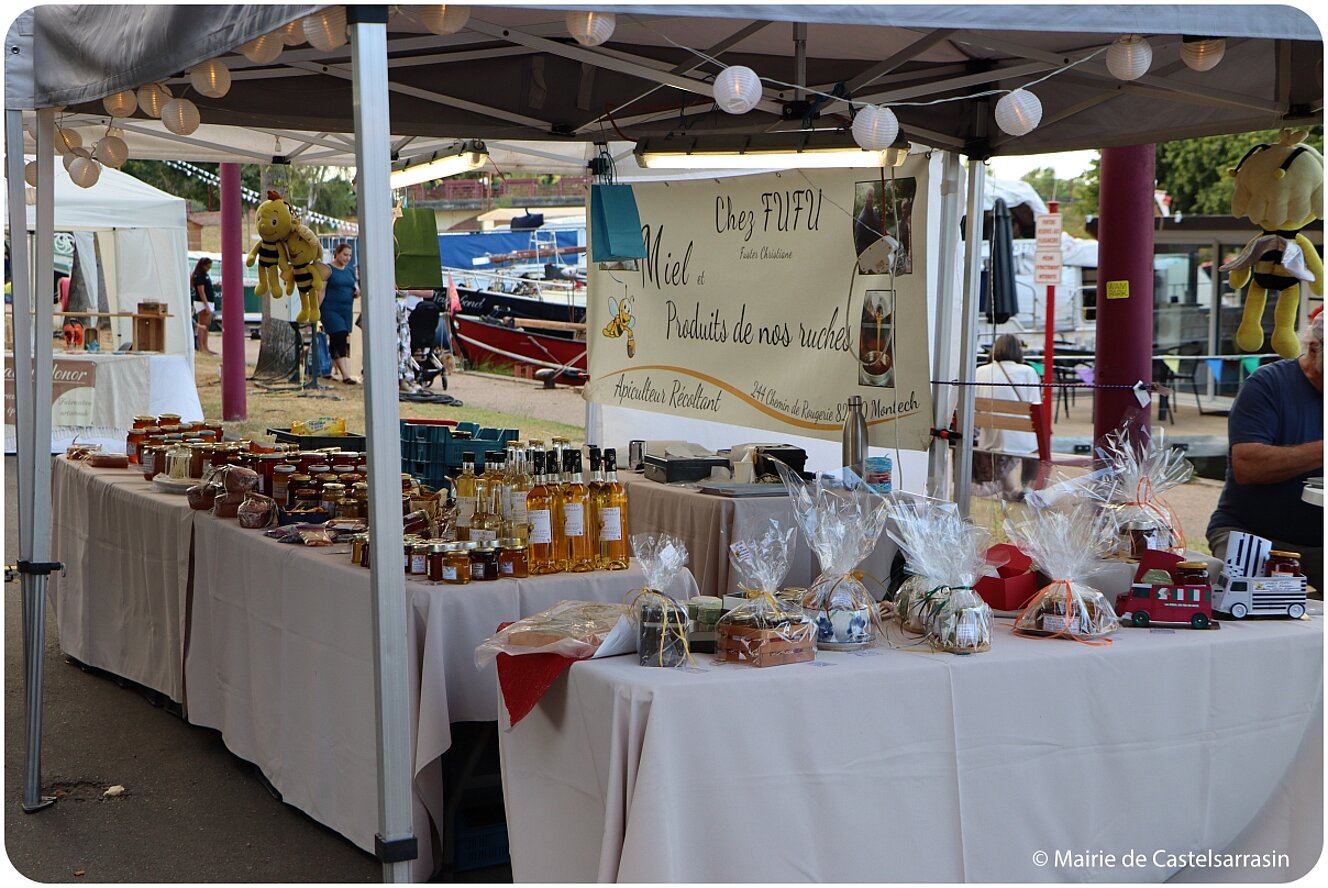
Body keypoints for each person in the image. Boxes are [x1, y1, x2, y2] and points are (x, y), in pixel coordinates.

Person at [1207, 312, 1324, 592]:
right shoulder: (1268, 384)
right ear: (1314, 347)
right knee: (1246, 604)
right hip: (1252, 532)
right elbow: (1248, 467)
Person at [972, 334, 1042, 499]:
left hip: (989, 438)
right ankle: (1027, 488)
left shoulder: (980, 371)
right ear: (1018, 351)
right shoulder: (1028, 371)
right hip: (1020, 439)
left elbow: (974, 407)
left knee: (1003, 438)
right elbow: (1035, 405)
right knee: (1036, 443)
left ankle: (1009, 490)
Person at [319, 243, 359, 384]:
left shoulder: (349, 271)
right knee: (339, 334)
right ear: (337, 253)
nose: (347, 258)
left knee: (339, 338)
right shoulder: (328, 269)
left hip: (346, 310)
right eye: (344, 254)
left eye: (349, 255)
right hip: (330, 309)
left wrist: (356, 292)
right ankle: (346, 375)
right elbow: (321, 290)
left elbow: (355, 287)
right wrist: (317, 308)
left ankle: (326, 369)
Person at [191, 257, 215, 354]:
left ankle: (206, 346)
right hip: (202, 303)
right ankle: (201, 347)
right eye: (208, 266)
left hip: (209, 302)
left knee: (207, 325)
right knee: (203, 325)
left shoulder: (205, 275)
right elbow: (201, 291)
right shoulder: (199, 275)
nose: (209, 268)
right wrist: (206, 306)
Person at [853, 185, 883, 259]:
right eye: (869, 196)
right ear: (865, 197)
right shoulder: (861, 220)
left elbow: (879, 230)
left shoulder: (875, 213)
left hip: (880, 251)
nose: (871, 198)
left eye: (872, 196)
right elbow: (860, 245)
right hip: (870, 257)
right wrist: (870, 257)